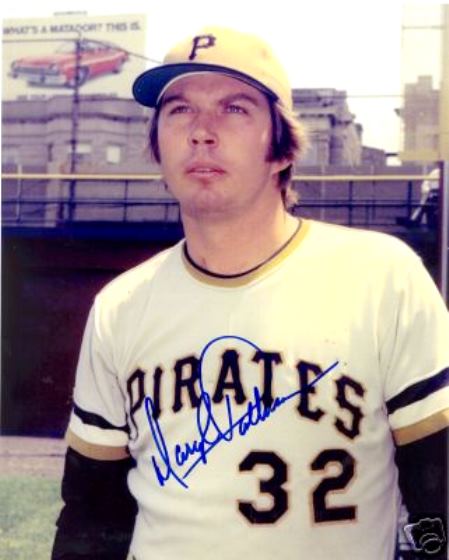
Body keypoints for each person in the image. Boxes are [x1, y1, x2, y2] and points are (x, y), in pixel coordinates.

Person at [52, 26, 449, 560]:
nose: (202, 132)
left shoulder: (382, 277)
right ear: (158, 146)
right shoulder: (120, 307)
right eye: (179, 110)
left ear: (281, 148)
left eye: (234, 109)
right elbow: (91, 518)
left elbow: (438, 495)